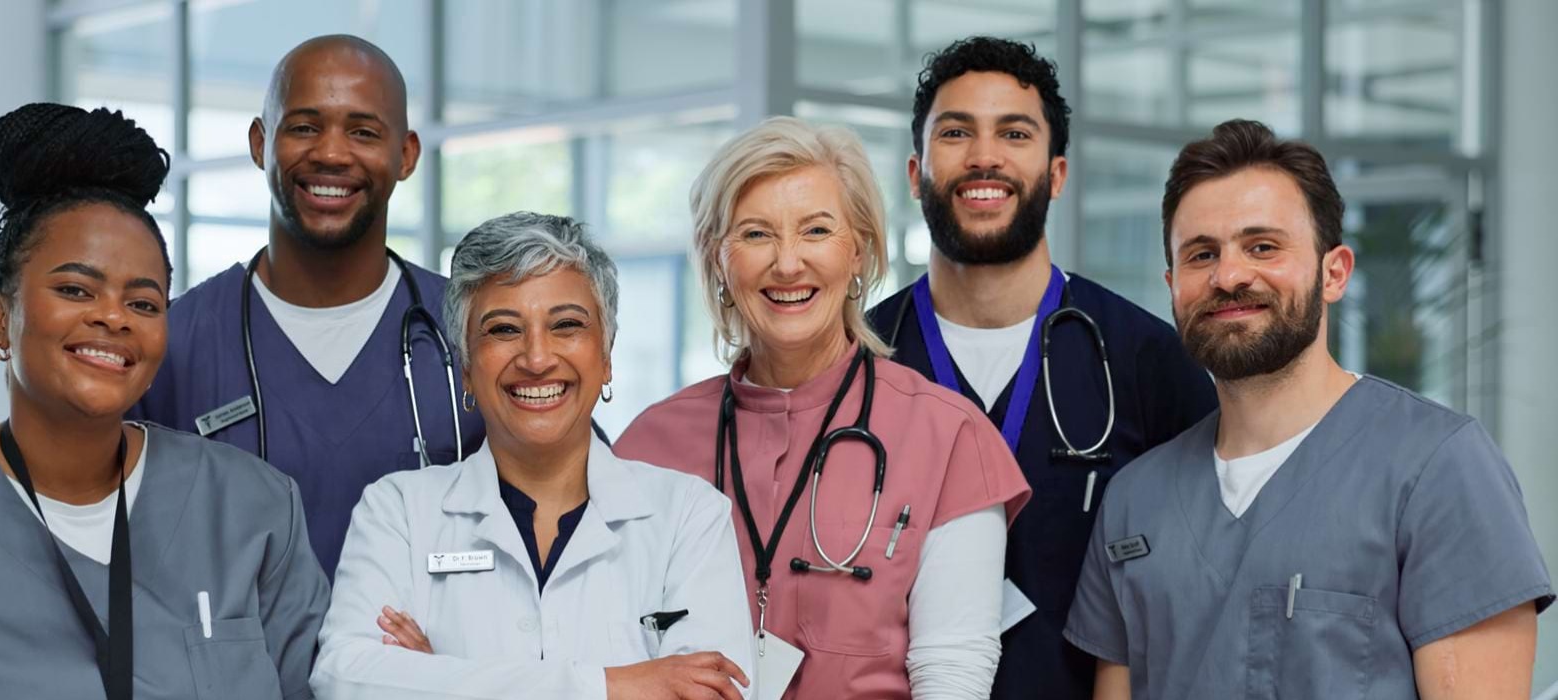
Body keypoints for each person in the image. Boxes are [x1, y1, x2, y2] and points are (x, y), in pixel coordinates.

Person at [0, 103, 329, 700]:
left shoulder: (254, 510)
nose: (113, 318)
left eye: (144, 303)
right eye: (75, 289)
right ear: (1, 318)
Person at [1065, 119, 1553, 699]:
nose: (1229, 275)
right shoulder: (1135, 500)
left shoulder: (1438, 468)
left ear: (1334, 272)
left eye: (1263, 247)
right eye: (1201, 255)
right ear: (1172, 284)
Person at [617, 117, 1032, 699]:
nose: (788, 264)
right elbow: (611, 650)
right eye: (757, 234)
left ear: (859, 250)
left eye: (815, 231)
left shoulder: (947, 438)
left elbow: (952, 677)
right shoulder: (647, 447)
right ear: (718, 261)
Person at [863, 36, 1217, 698]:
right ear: (915, 172)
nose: (985, 156)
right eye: (956, 132)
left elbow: (1206, 577)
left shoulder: (1146, 359)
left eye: (1015, 133)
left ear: (1056, 173)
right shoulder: (859, 361)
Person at [310, 212, 752, 699]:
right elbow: (345, 679)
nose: (537, 358)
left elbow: (717, 693)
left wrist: (440, 679)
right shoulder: (398, 512)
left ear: (606, 358)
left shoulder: (688, 516)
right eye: (503, 330)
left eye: (566, 325)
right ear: (466, 369)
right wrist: (614, 685)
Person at [130, 34, 484, 577]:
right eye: (304, 127)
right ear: (259, 142)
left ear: (406, 154)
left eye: (363, 131)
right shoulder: (174, 341)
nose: (332, 153)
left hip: (430, 661)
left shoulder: (473, 330)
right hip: (235, 665)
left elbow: (564, 501)